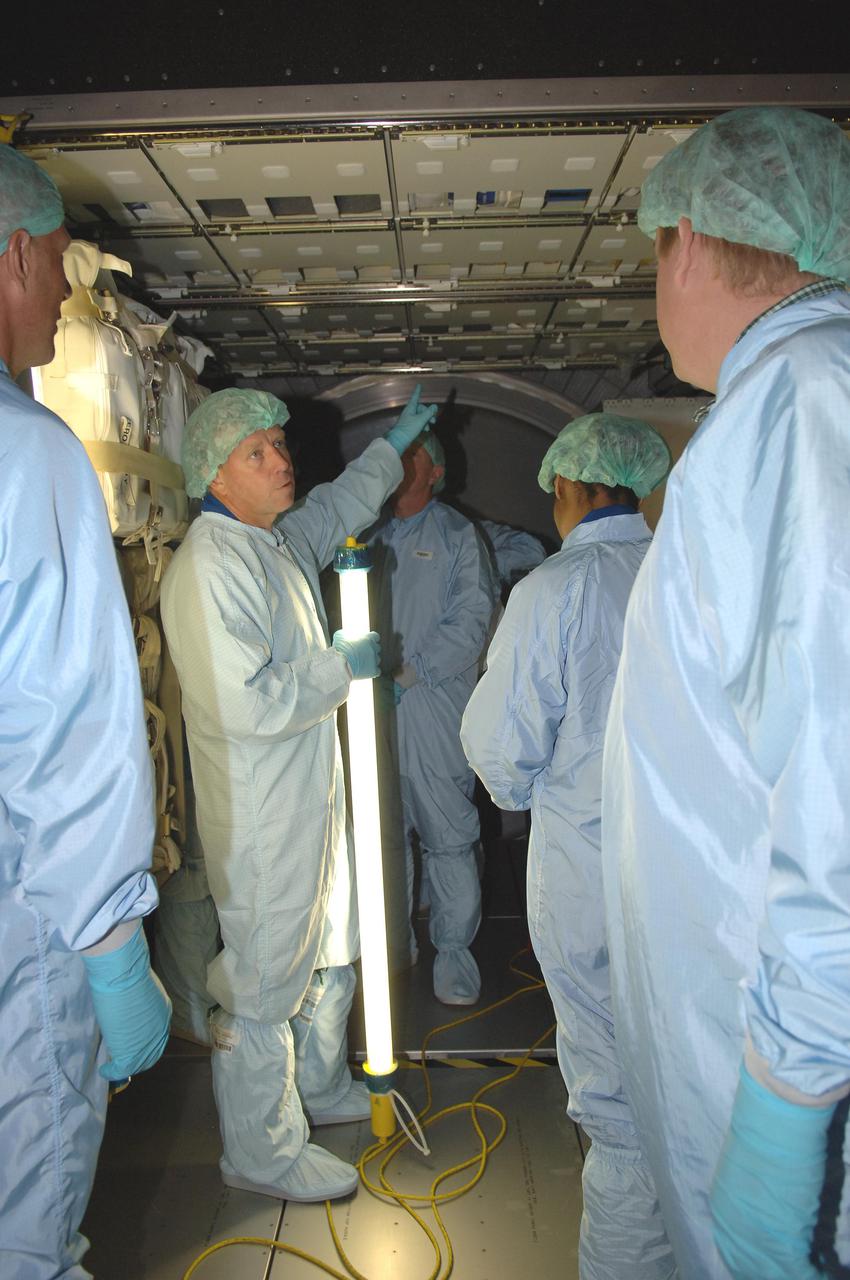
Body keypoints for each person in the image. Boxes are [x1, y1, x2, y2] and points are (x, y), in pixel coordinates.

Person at [599, 106, 850, 1279]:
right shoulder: (787, 402)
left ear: (689, 243)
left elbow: (839, 777)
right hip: (753, 1023)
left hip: (772, 1053)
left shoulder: (800, 403)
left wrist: (789, 1103)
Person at [160, 384, 437, 1202]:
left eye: (280, 444)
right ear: (215, 473)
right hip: (263, 815)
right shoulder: (210, 566)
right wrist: (338, 667)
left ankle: (315, 1089)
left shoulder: (270, 540)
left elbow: (335, 506)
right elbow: (245, 705)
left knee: (329, 950)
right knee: (264, 982)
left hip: (308, 797)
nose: (281, 461)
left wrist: (392, 447)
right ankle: (261, 1150)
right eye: (258, 453)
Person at [0, 145, 171, 1279]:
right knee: (28, 1223)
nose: (66, 296)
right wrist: (111, 947)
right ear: (15, 252)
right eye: (59, 262)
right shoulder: (27, 454)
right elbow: (56, 726)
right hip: (26, 930)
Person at [460, 413, 674, 1280]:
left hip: (592, 881)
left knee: (619, 1109)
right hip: (694, 888)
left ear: (566, 488)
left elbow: (501, 755)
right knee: (690, 1085)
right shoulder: (684, 569)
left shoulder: (555, 590)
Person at [368, 429, 497, 1005]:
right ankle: (395, 948)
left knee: (448, 838)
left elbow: (471, 621)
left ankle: (454, 956)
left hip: (433, 710)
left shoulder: (456, 535)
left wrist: (409, 673)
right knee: (384, 839)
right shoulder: (370, 532)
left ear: (435, 473)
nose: (399, 461)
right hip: (374, 712)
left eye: (412, 454)